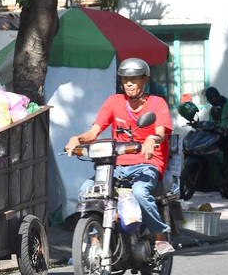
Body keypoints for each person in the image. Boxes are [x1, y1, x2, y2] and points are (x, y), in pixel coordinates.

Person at [65, 58, 175, 257]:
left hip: (147, 163)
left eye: (134, 79)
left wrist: (152, 138)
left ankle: (160, 238)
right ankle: (95, 241)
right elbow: (93, 134)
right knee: (86, 192)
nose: (129, 83)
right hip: (116, 165)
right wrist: (77, 139)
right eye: (125, 79)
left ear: (145, 80)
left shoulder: (157, 104)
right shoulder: (114, 102)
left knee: (141, 193)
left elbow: (161, 132)